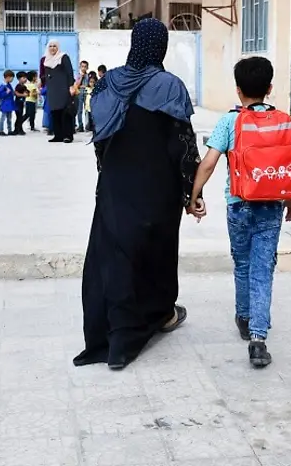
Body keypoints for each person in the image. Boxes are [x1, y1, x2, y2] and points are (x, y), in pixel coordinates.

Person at [73, 18, 201, 371]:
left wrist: (106, 175)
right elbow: (183, 146)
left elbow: (99, 136)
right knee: (154, 253)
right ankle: (159, 316)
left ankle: (109, 332)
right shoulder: (170, 86)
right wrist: (192, 190)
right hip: (157, 190)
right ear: (160, 46)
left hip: (115, 185)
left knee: (113, 254)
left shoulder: (108, 82)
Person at [189, 56, 291, 368]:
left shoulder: (229, 122)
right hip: (271, 206)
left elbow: (210, 162)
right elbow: (288, 166)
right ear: (269, 88)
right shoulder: (284, 121)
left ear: (238, 91)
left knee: (242, 262)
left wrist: (194, 195)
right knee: (262, 268)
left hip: (238, 204)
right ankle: (258, 339)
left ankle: (244, 316)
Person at [39, 40, 76, 143]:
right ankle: (58, 135)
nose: (52, 48)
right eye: (50, 46)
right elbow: (43, 75)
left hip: (63, 88)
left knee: (65, 112)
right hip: (52, 90)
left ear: (58, 47)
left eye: (54, 46)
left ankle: (67, 136)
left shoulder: (63, 57)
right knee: (55, 112)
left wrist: (71, 86)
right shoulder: (46, 60)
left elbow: (69, 72)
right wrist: (41, 83)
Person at [0, 70, 15, 136]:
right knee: (3, 118)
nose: (12, 79)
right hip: (5, 104)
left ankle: (10, 130)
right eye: (12, 78)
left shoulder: (8, 85)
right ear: (8, 77)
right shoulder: (3, 85)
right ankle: (1, 131)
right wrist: (6, 92)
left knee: (9, 118)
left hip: (9, 104)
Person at [75, 60, 92, 132]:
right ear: (80, 67)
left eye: (85, 67)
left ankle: (87, 126)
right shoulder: (78, 75)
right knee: (79, 111)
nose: (83, 68)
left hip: (86, 94)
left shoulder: (89, 76)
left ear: (87, 68)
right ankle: (80, 126)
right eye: (82, 66)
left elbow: (89, 85)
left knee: (87, 110)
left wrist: (84, 86)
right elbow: (77, 85)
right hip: (79, 94)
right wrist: (81, 77)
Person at [12, 72, 28, 136]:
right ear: (19, 79)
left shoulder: (24, 86)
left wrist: (27, 93)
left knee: (20, 117)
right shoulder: (18, 86)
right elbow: (16, 94)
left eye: (26, 78)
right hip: (17, 104)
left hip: (21, 104)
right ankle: (16, 130)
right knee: (19, 117)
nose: (25, 79)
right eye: (24, 78)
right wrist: (23, 95)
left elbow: (27, 93)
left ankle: (19, 129)